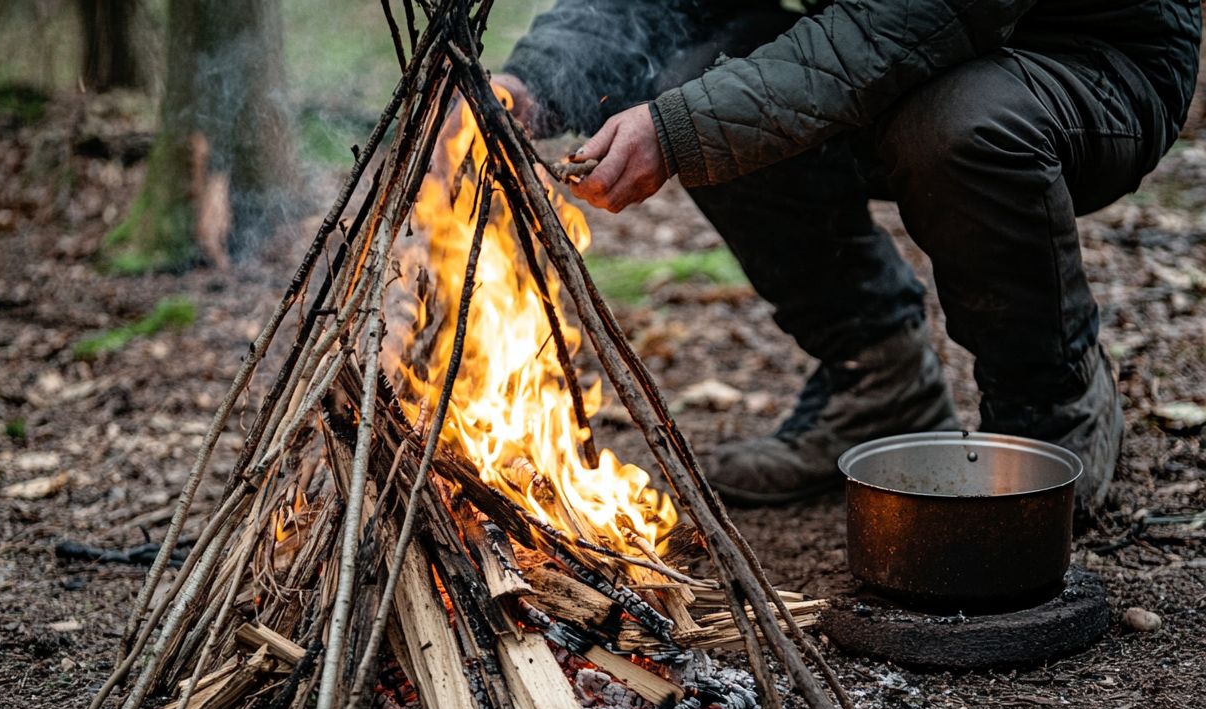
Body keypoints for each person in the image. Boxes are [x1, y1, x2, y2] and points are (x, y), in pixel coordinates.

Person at [494, 0, 1201, 521]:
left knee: (958, 127)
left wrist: (681, 128)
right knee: (701, 81)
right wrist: (535, 86)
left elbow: (903, 25)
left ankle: (1053, 401)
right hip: (892, 42)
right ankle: (878, 381)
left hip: (1088, 58)